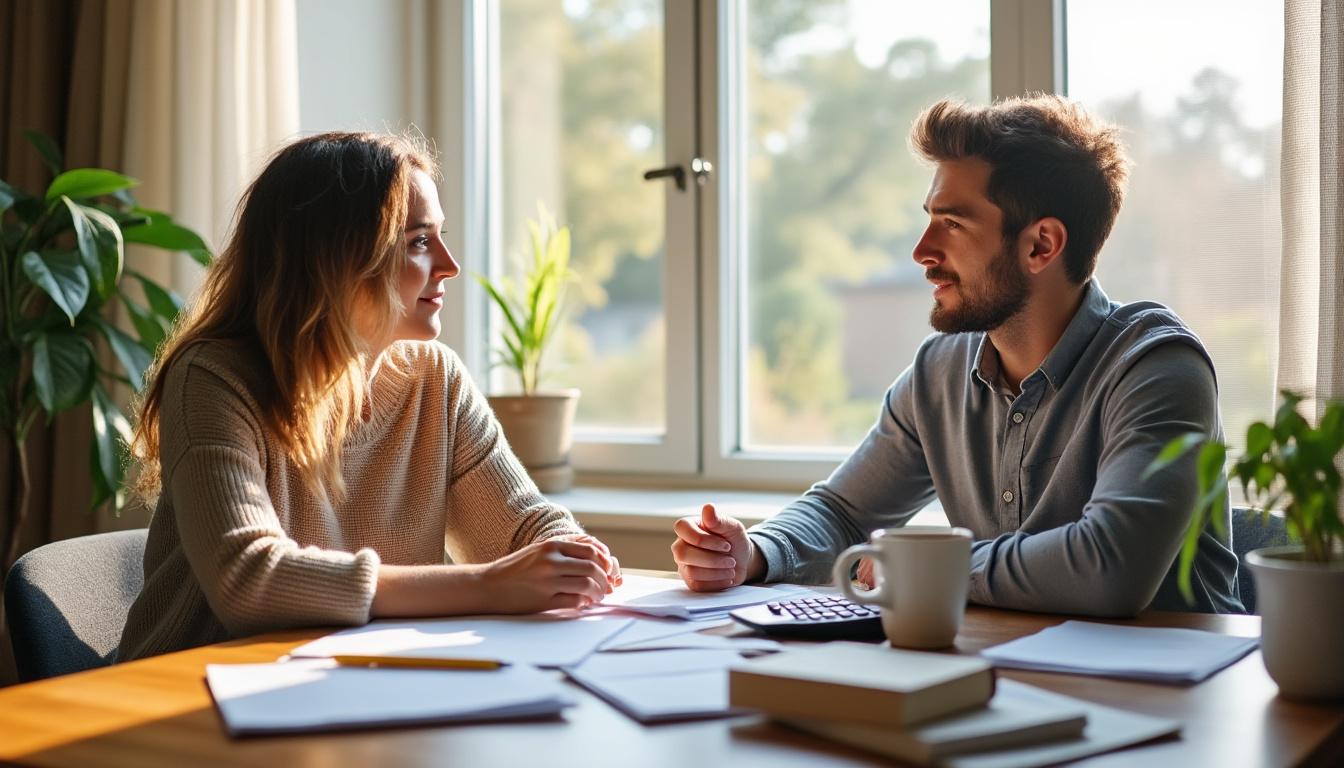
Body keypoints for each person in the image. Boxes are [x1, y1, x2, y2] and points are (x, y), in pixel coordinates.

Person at [671, 95, 1241, 616]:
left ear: (1041, 244)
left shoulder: (1157, 368)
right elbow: (844, 513)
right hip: (1015, 678)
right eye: (929, 219)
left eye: (952, 223)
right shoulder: (939, 371)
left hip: (1175, 705)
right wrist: (755, 552)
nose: (922, 252)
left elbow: (1109, 567)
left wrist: (929, 567)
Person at [118, 132, 621, 662]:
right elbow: (250, 580)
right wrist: (489, 585)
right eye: (419, 242)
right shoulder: (215, 379)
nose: (449, 265)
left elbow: (522, 530)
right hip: (190, 695)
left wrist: (579, 558)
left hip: (351, 687)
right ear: (334, 259)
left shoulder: (435, 378)